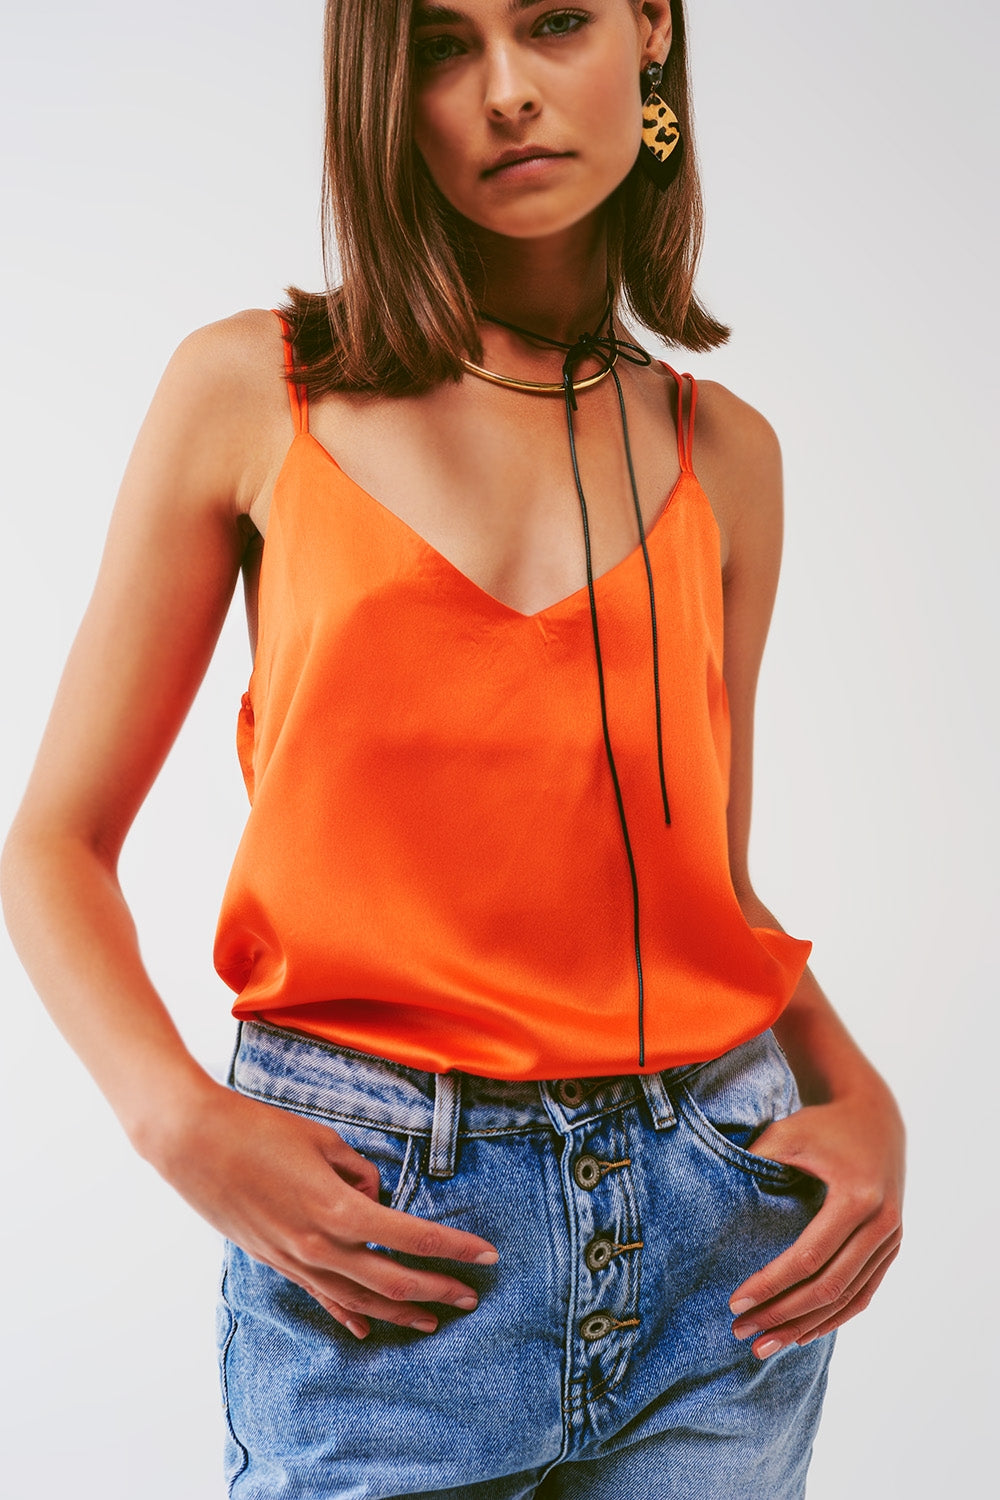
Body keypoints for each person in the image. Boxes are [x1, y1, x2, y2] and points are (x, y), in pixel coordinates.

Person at [0, 1, 905, 1495]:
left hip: (721, 1236)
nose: (506, 94)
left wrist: (857, 1088)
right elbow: (52, 843)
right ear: (384, 82)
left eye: (555, 23)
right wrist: (179, 1120)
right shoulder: (258, 388)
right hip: (389, 1233)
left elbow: (711, 879)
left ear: (653, 33)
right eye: (439, 44)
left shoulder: (724, 453)